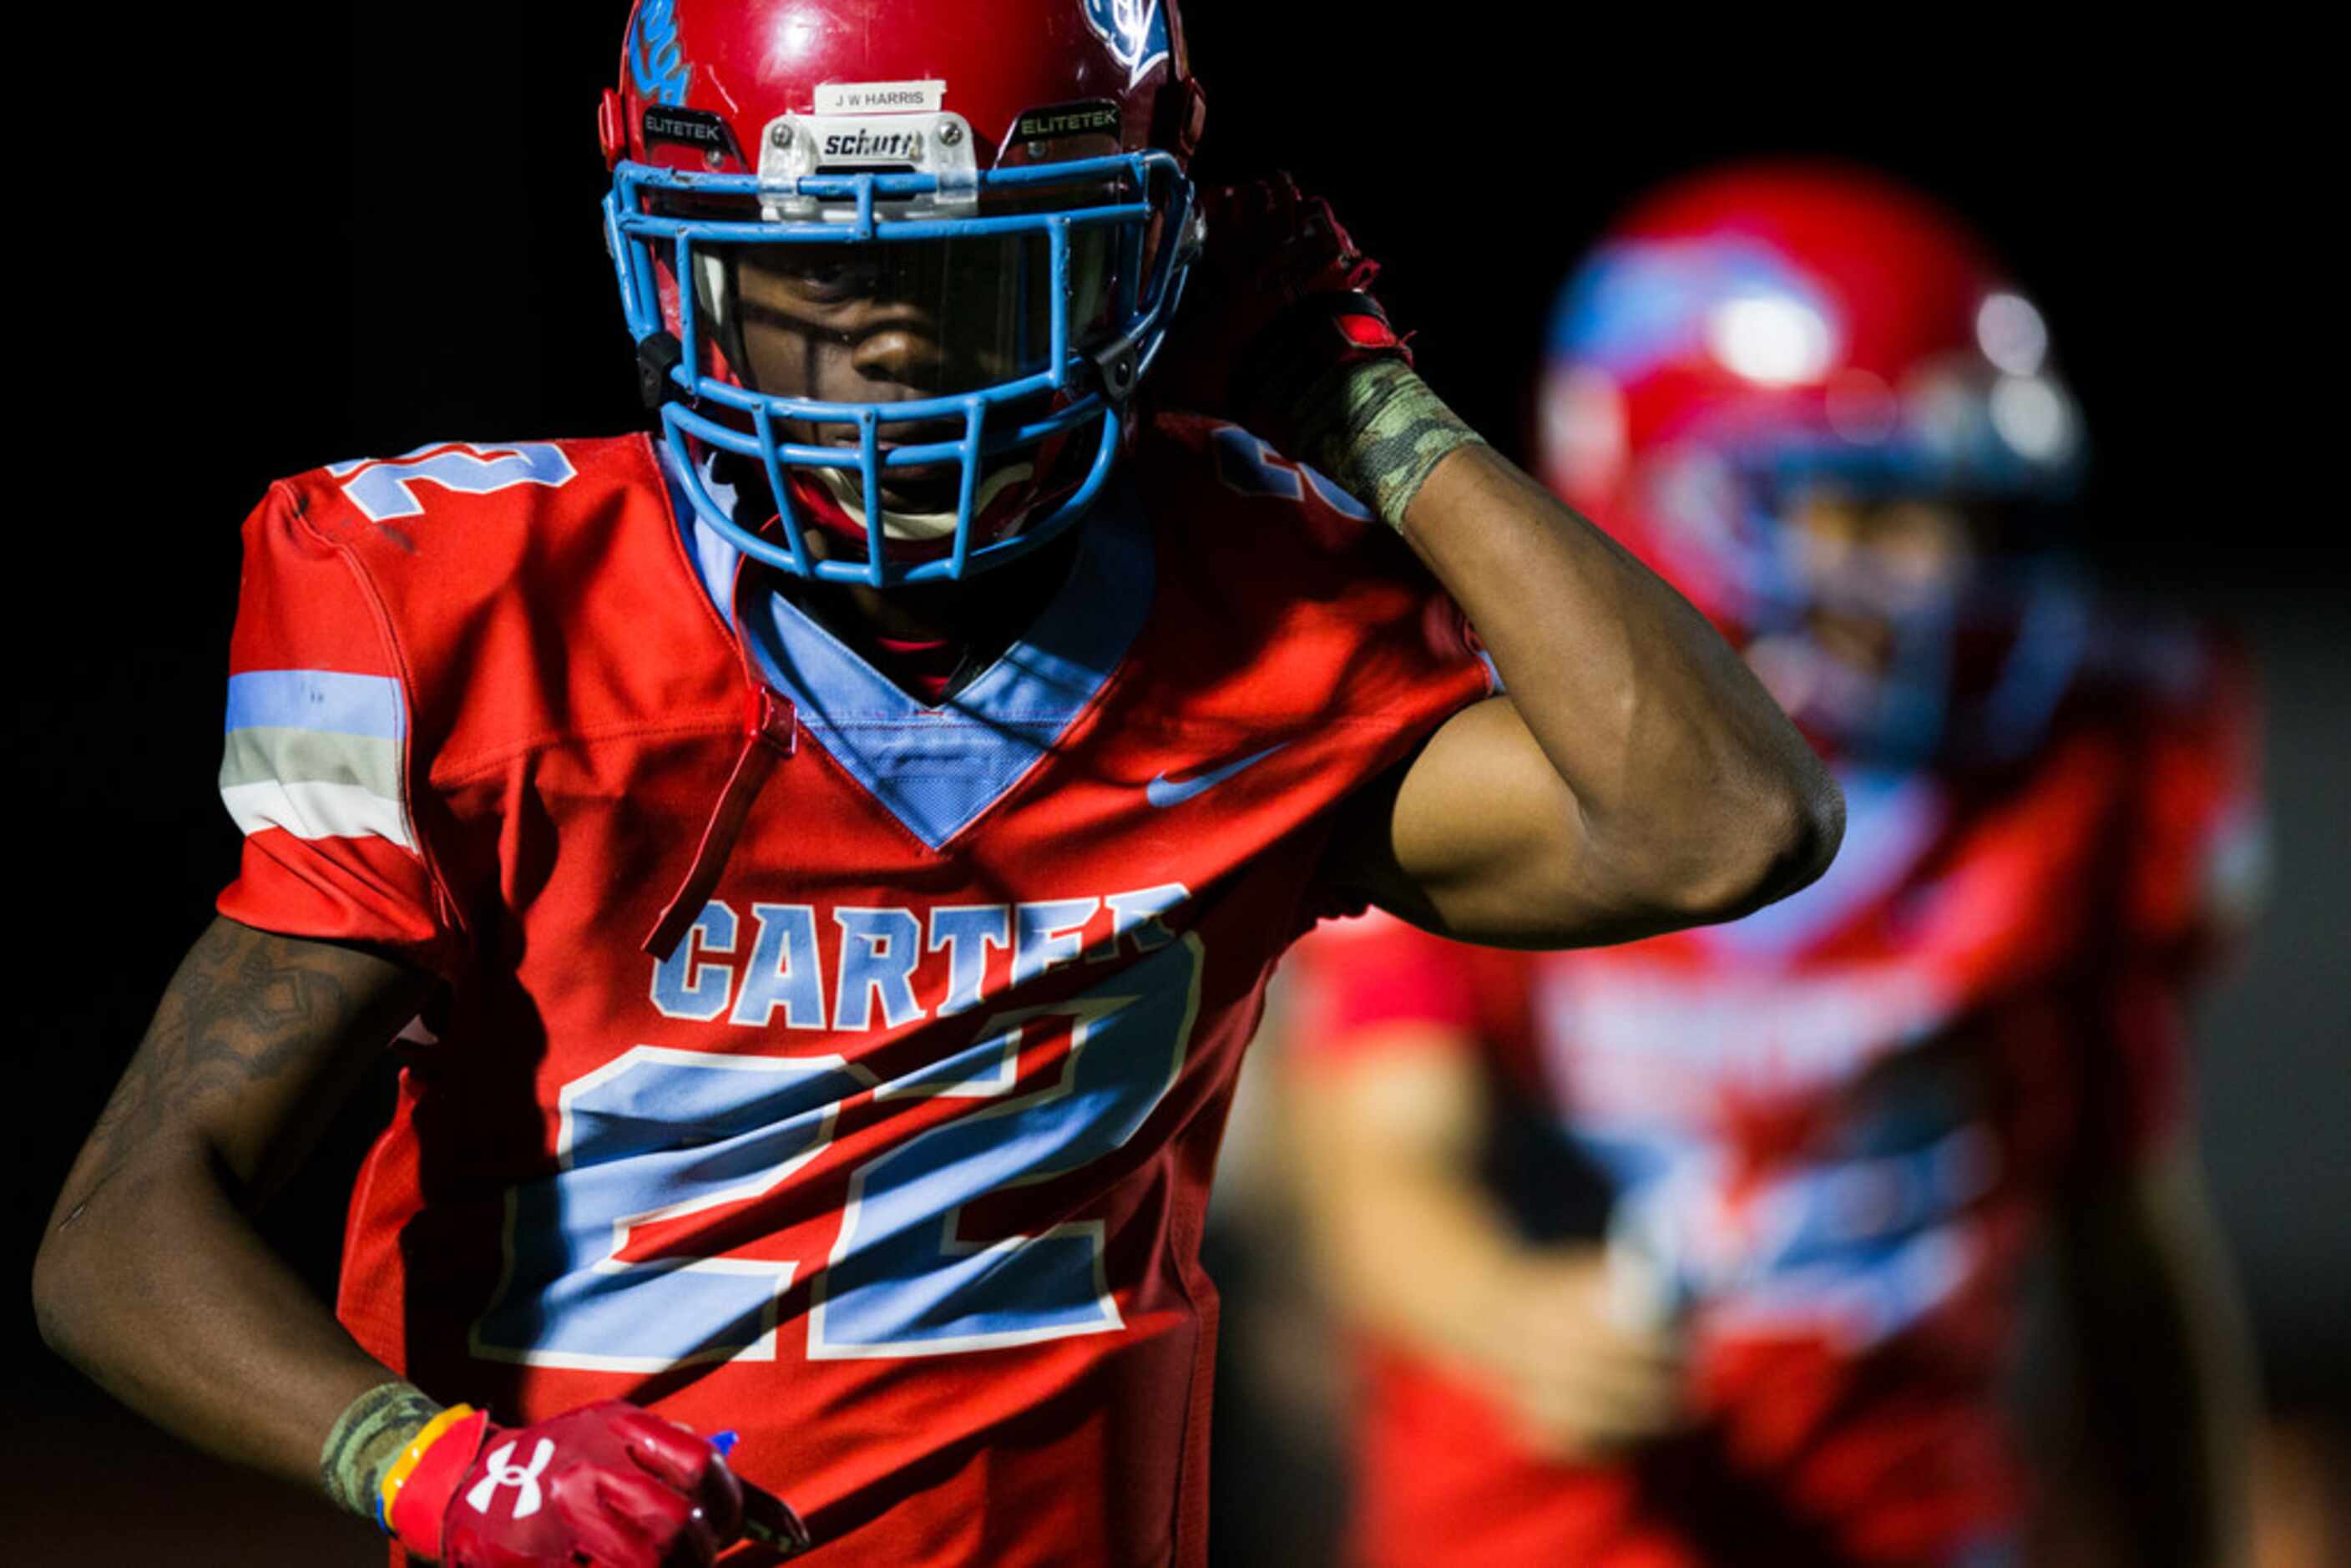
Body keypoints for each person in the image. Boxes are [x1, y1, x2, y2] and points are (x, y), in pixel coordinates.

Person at [28, 6, 1842, 1565]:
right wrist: (435, 1467)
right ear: (679, 267)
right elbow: (120, 1230)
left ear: (1147, 263)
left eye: (968, 273)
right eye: (818, 269)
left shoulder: (1250, 608)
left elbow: (1723, 819)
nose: (889, 344)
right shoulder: (487, 612)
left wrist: (1368, 410)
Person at [1282, 163, 2264, 1568]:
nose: (1929, 575)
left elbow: (2127, 1241)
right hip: (1543, 1529)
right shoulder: (1477, 739)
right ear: (1662, 484)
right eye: (1862, 515)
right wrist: (1515, 1306)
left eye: (1959, 516)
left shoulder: (2067, 772)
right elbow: (1376, 1164)